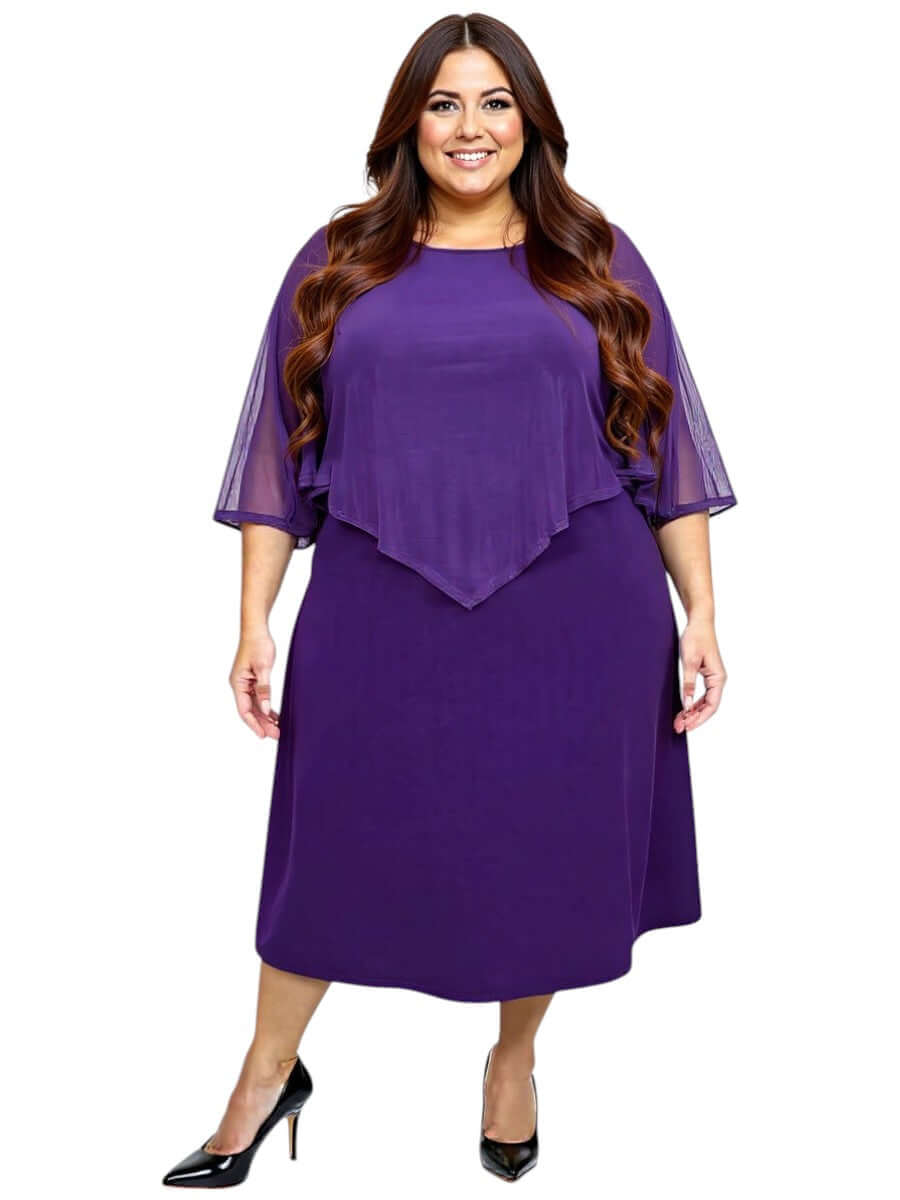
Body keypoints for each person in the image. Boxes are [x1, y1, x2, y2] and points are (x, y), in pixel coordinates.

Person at [162, 13, 737, 1187]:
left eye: (494, 103)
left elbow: (660, 441)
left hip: (577, 611)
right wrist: (252, 621)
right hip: (376, 606)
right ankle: (267, 1074)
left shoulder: (595, 255)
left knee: (545, 848)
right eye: (443, 103)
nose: (469, 128)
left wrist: (705, 616)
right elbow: (279, 450)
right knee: (327, 845)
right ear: (407, 124)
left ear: (530, 123)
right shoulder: (338, 260)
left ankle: (513, 1061)